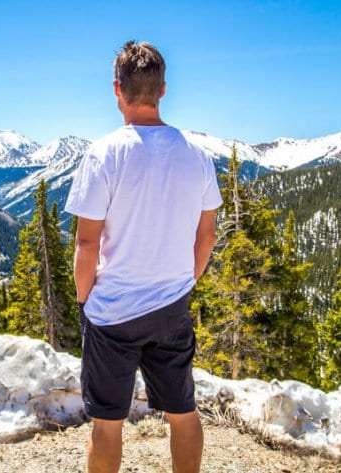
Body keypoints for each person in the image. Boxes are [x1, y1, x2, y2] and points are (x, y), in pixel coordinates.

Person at [64, 40, 222, 473]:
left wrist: (84, 302)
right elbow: (206, 236)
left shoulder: (104, 154)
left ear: (118, 89)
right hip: (171, 304)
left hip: (113, 309)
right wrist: (182, 283)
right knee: (183, 411)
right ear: (163, 89)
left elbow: (86, 244)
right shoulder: (198, 155)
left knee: (107, 423)